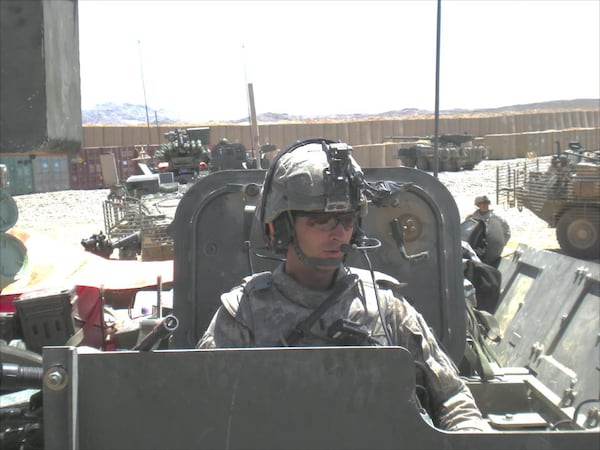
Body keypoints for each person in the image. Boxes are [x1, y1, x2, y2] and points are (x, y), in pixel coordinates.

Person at [197, 138, 490, 432]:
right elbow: (203, 410)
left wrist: (468, 435)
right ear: (280, 227)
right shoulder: (244, 314)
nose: (338, 233)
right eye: (321, 221)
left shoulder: (387, 308)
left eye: (347, 220)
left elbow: (452, 398)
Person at [465, 195, 511, 267]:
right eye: (482, 204)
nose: (485, 205)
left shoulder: (496, 219)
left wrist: (500, 244)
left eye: (486, 203)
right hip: (474, 252)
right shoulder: (471, 218)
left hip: (491, 252)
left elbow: (507, 232)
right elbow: (466, 234)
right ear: (478, 205)